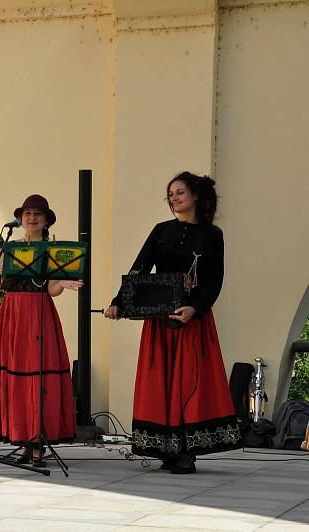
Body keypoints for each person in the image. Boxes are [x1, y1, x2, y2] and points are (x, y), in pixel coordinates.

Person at [104, 172, 241, 473]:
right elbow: (139, 269)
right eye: (170, 194)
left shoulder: (212, 235)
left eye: (180, 192)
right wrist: (118, 302)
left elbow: (214, 280)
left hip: (192, 319)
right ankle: (166, 448)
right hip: (159, 320)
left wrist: (195, 308)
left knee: (187, 380)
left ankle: (186, 453)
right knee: (161, 381)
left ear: (195, 196)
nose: (174, 198)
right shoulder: (160, 230)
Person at [0, 194, 81, 462]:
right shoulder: (10, 248)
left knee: (39, 376)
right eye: (27, 214)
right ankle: (23, 439)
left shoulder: (52, 249)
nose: (31, 218)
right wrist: (3, 280)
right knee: (16, 375)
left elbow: (52, 291)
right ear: (20, 219)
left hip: (38, 312)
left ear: (45, 221)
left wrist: (63, 282)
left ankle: (39, 440)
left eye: (37, 214)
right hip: (13, 313)